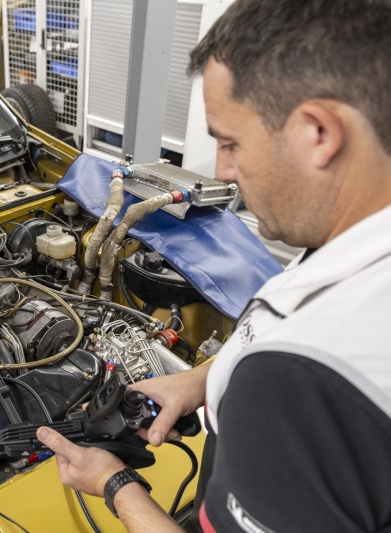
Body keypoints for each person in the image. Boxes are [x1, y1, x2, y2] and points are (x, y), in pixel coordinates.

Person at [38, 0, 391, 531]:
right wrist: (203, 379)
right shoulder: (354, 241)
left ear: (319, 133)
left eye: (230, 142)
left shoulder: (297, 383)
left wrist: (114, 484)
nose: (222, 170)